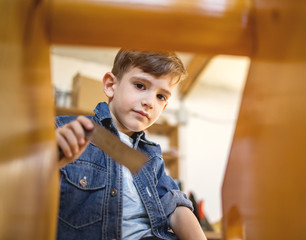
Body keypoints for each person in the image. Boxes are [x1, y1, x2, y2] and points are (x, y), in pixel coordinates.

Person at [55, 50, 207, 240]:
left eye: (161, 97)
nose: (150, 102)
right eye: (140, 85)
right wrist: (51, 157)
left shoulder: (151, 156)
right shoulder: (66, 130)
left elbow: (175, 206)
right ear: (111, 85)